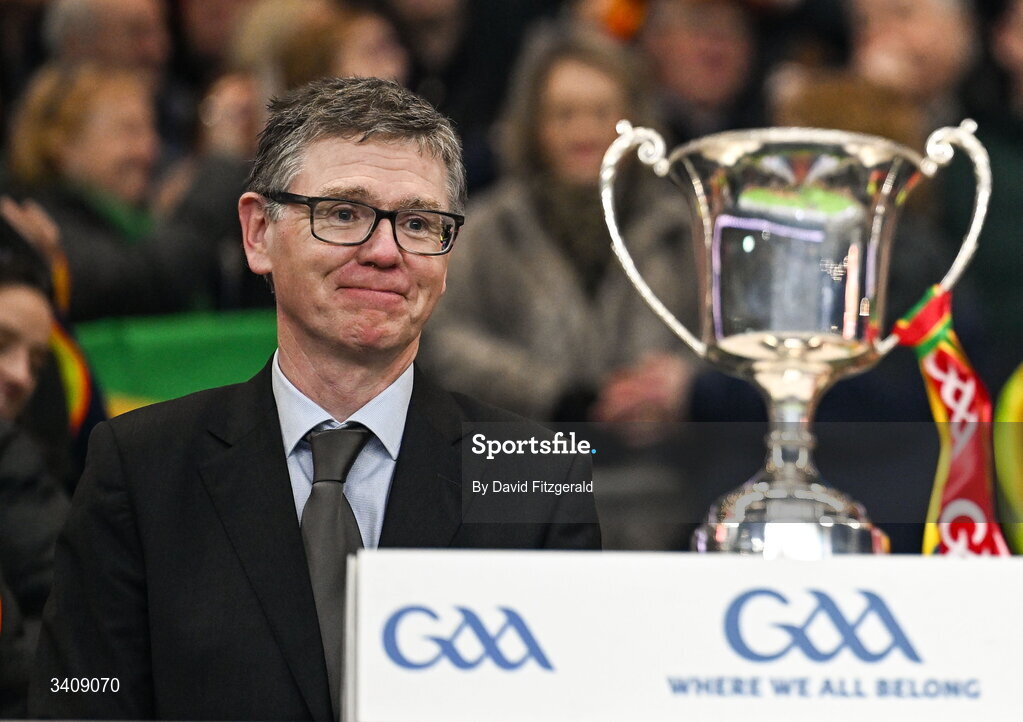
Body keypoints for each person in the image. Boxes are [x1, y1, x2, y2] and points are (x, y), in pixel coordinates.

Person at [30, 76, 600, 721]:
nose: (385, 252)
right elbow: (79, 701)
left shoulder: (532, 471)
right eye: (344, 214)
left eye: (418, 222)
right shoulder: (140, 469)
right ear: (257, 233)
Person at [0, 216, 71, 717]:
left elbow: (80, 610)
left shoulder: (16, 458)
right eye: (2, 342)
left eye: (38, 362)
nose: (20, 376)